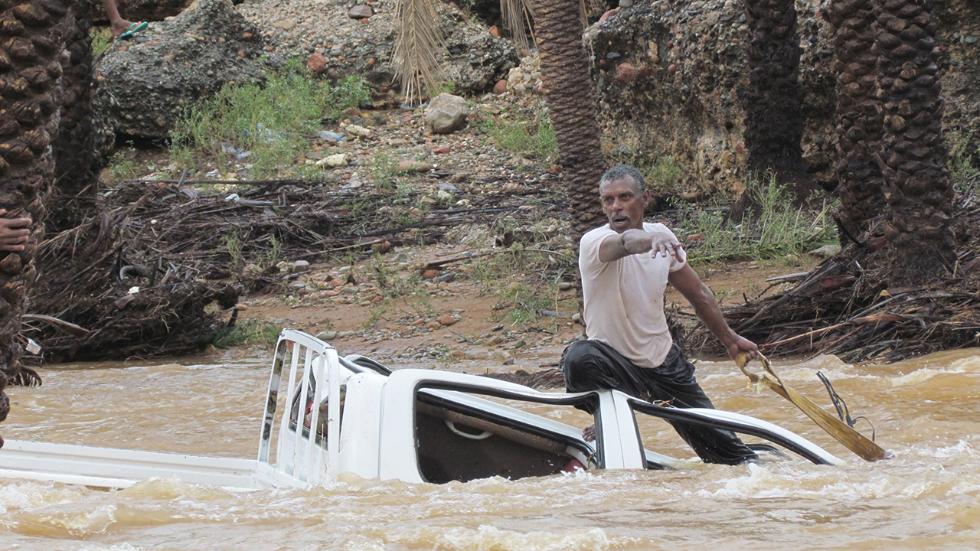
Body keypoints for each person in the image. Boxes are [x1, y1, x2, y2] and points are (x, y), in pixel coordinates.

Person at [560, 164, 759, 465]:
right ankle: (609, 415)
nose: (616, 207)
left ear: (645, 199)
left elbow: (699, 294)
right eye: (608, 200)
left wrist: (729, 339)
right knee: (578, 358)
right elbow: (626, 242)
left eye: (624, 197)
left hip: (664, 363)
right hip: (613, 365)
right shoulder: (594, 242)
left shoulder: (663, 235)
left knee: (733, 456)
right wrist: (650, 241)